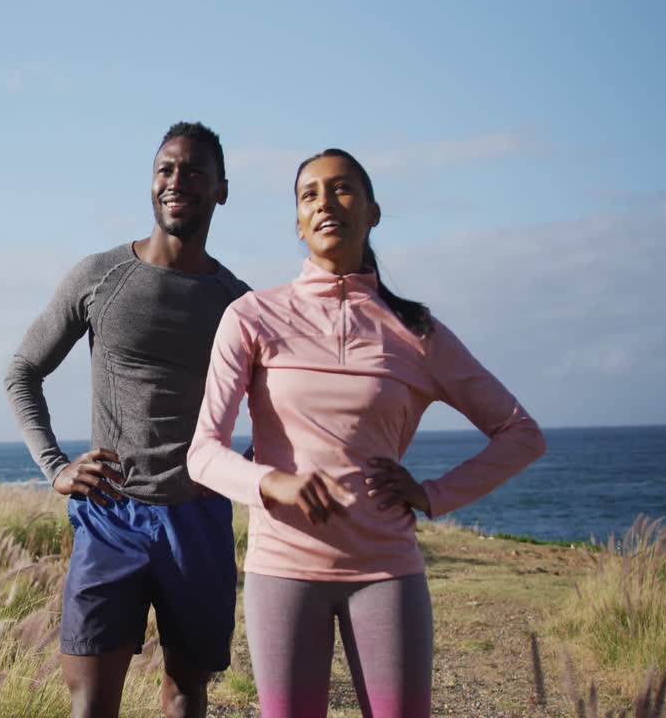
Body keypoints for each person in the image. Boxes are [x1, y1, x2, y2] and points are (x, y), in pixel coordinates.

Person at [187, 148, 547, 718]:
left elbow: (521, 433)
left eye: (343, 189)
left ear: (373, 211)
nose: (326, 202)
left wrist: (433, 494)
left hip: (387, 569)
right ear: (298, 224)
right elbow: (202, 453)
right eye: (310, 194)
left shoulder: (416, 331)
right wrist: (271, 482)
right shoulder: (253, 316)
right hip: (282, 568)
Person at [4, 122, 250, 718]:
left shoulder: (239, 303)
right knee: (91, 704)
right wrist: (56, 467)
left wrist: (245, 471)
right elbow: (22, 372)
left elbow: (279, 406)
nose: (177, 181)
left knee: (187, 696)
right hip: (110, 516)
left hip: (199, 518)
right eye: (165, 169)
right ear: (151, 183)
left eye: (194, 171)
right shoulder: (101, 276)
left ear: (221, 189)